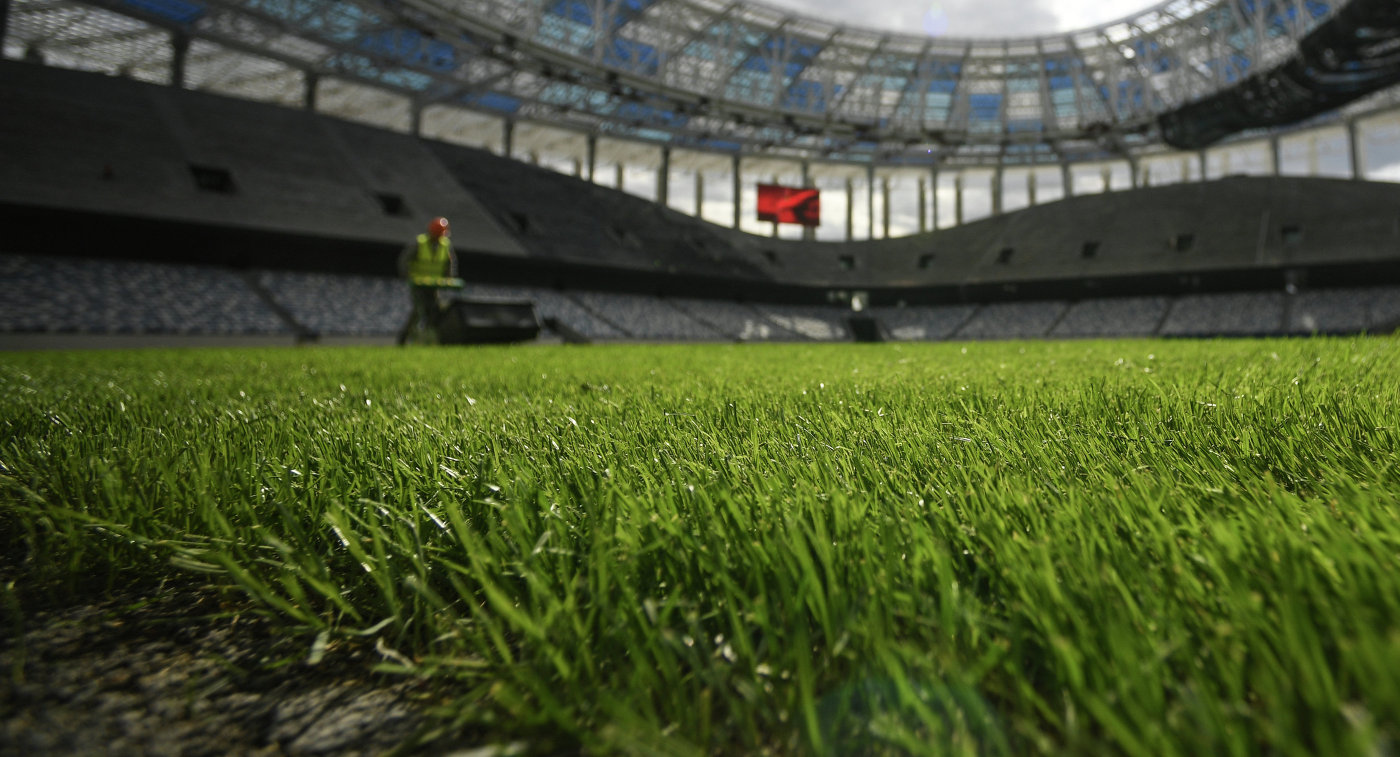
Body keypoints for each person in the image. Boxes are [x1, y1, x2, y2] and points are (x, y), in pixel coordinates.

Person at [397, 216, 458, 345]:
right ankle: (404, 338)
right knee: (418, 311)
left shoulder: (445, 245)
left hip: (434, 284)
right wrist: (407, 275)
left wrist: (449, 278)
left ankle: (429, 339)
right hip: (418, 284)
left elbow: (449, 263)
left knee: (435, 311)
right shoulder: (420, 243)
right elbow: (404, 261)